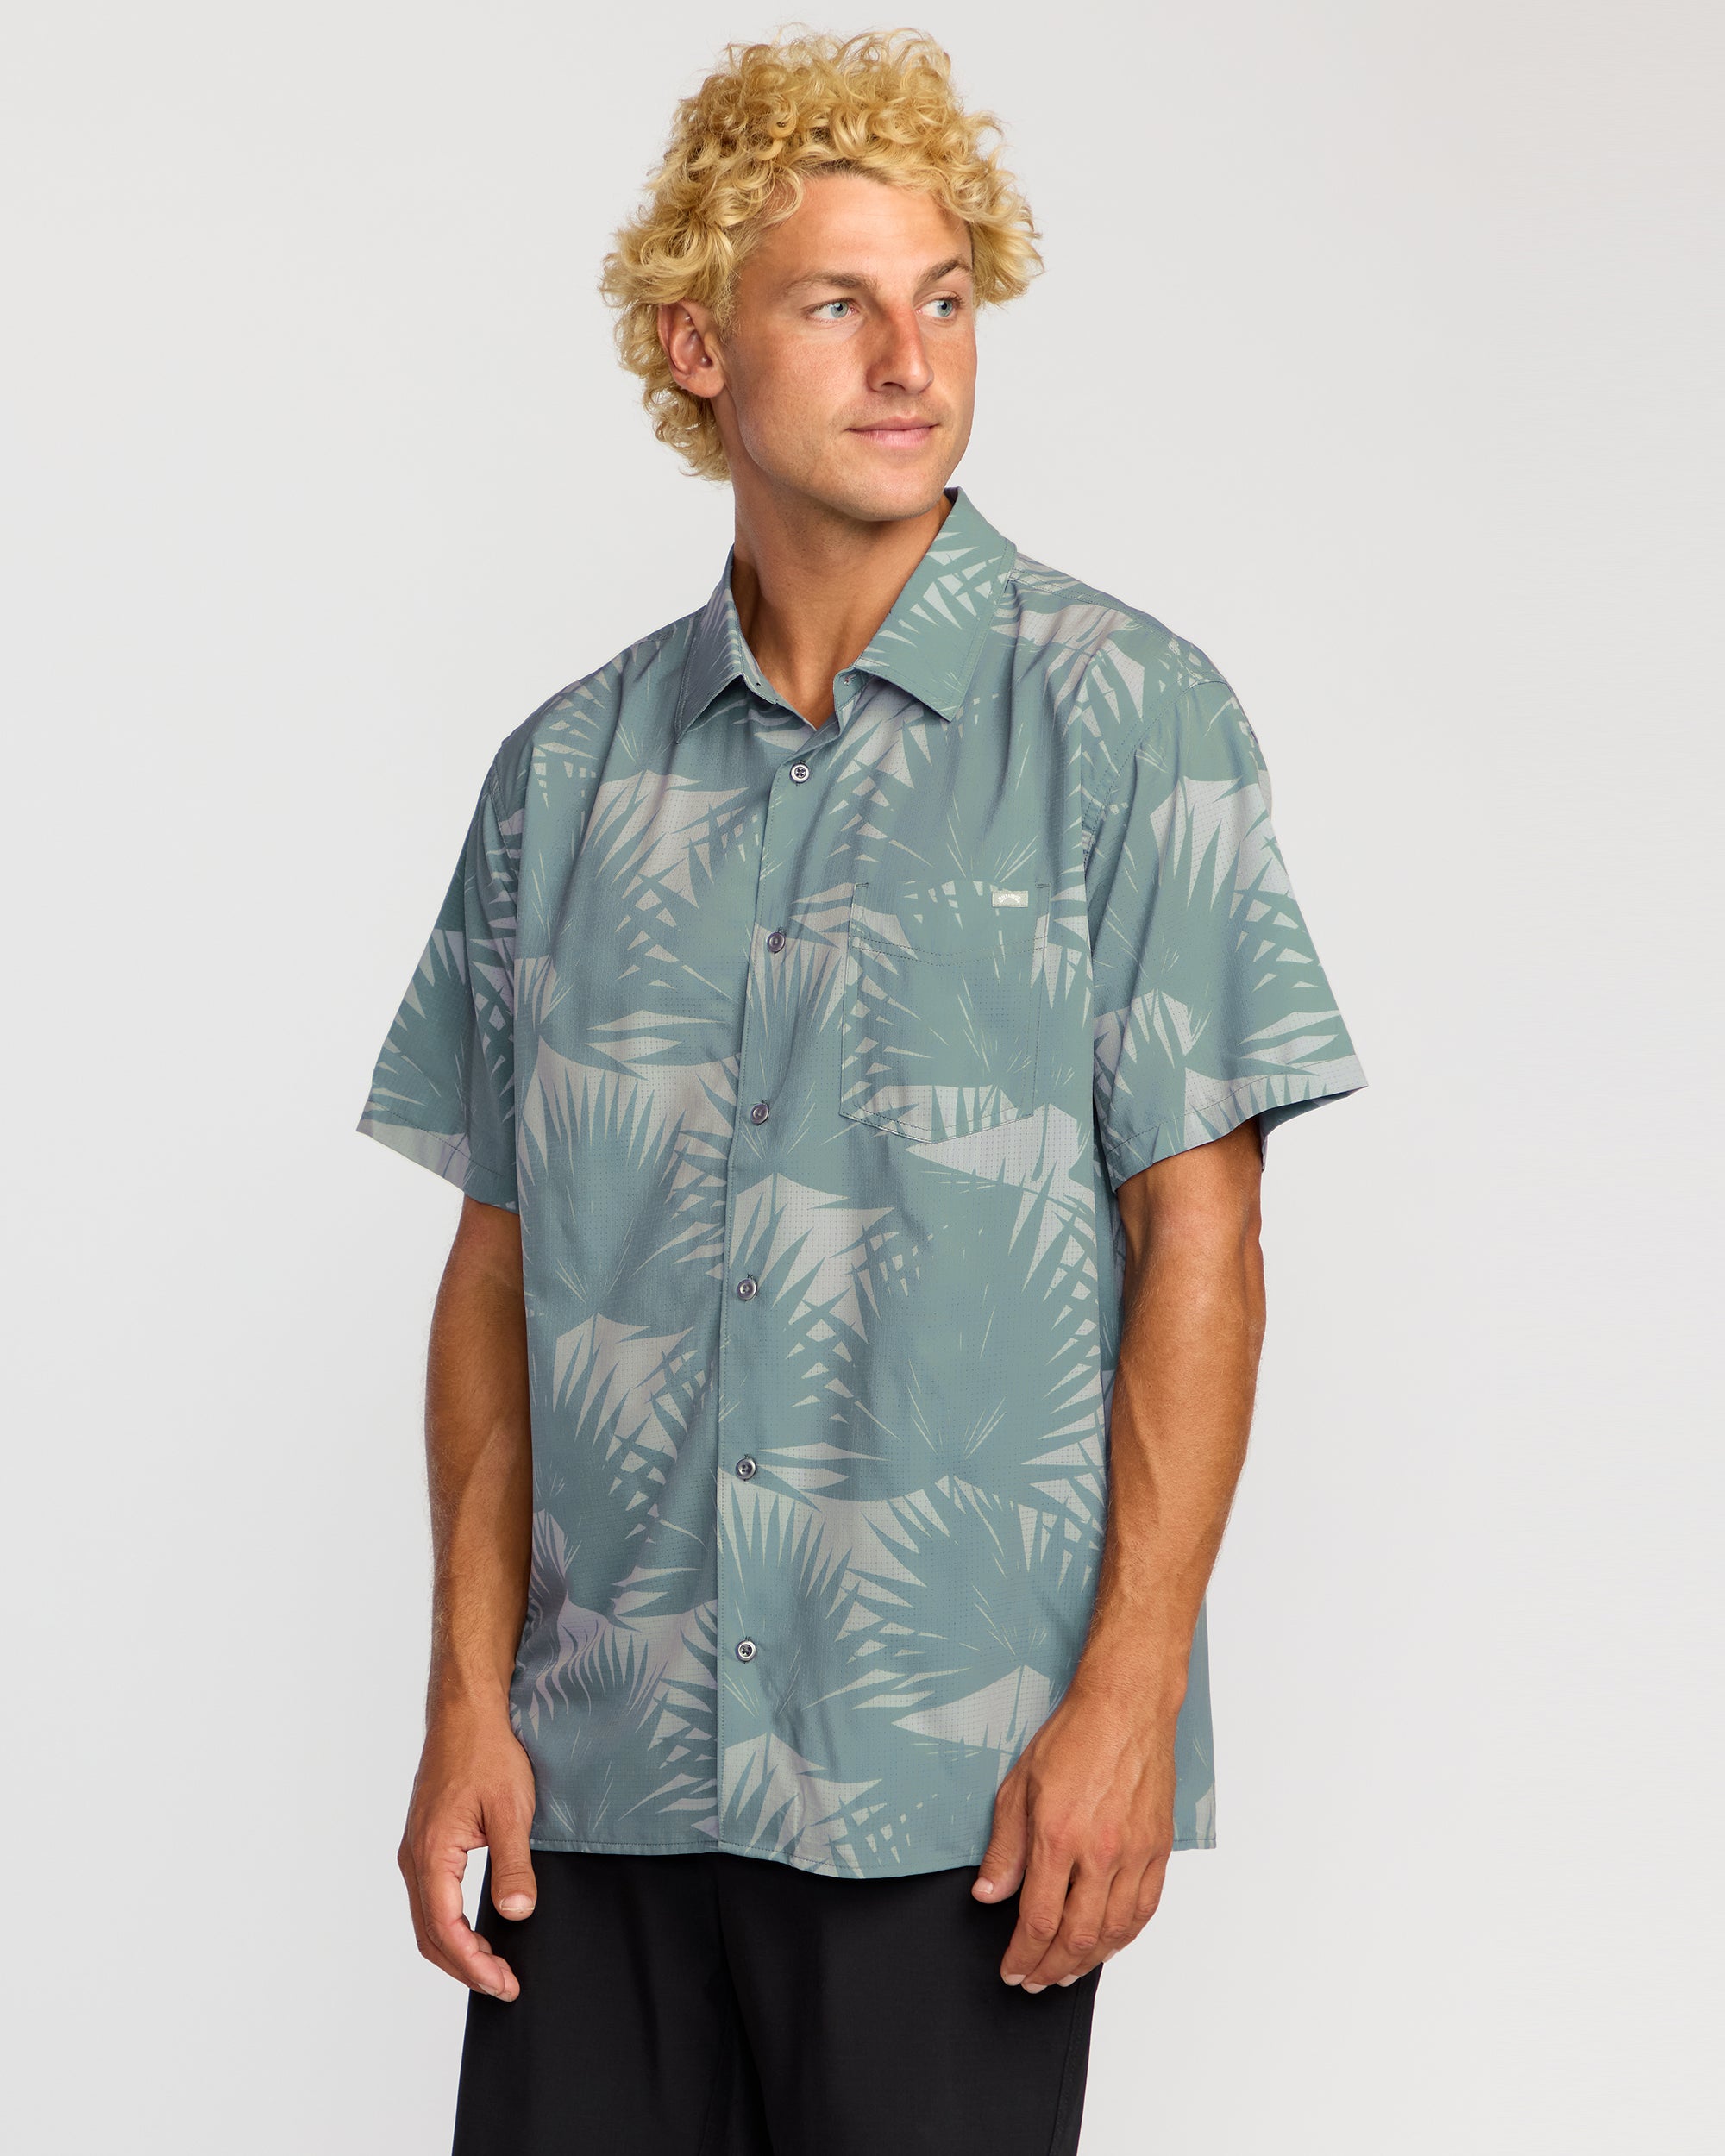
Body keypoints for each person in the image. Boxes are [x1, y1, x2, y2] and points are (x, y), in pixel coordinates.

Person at [357, 28, 1365, 2155]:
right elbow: (498, 1266)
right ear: (694, 345)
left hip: (952, 1790)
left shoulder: (1130, 725)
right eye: (836, 303)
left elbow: (1203, 1235)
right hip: (598, 1781)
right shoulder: (561, 777)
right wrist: (465, 1694)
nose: (911, 359)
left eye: (945, 298)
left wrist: (1129, 1699)